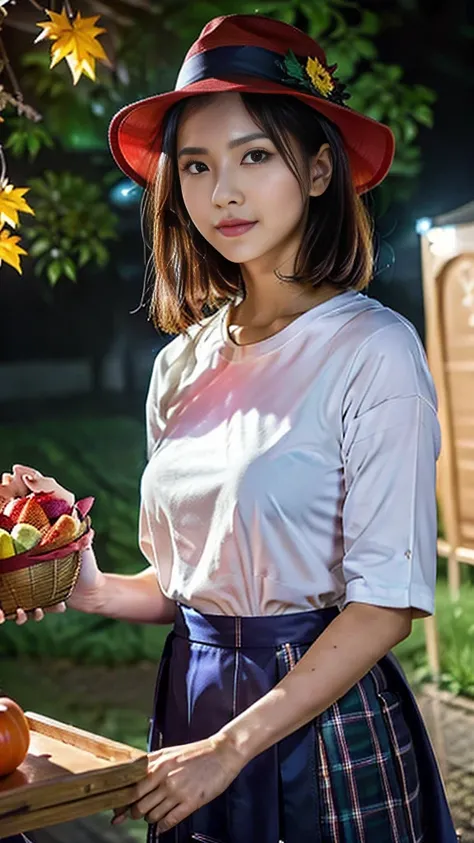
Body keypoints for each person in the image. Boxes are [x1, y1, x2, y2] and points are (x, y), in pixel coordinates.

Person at [1, 13, 458, 843]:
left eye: (254, 155)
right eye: (198, 166)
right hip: (193, 704)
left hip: (319, 729)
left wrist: (230, 747)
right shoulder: (182, 364)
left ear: (320, 170)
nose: (224, 193)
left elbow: (386, 603)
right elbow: (183, 590)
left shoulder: (373, 350)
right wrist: (74, 571)